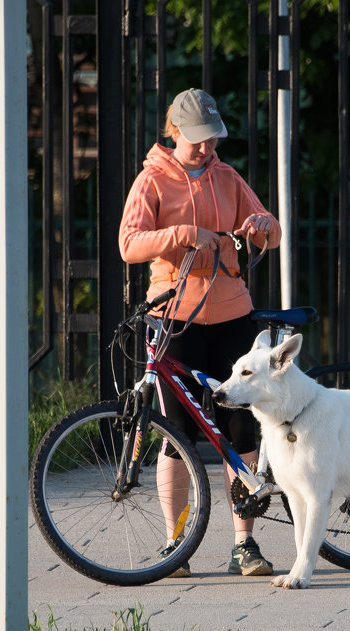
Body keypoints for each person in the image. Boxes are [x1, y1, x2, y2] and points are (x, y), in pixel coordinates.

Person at [119, 88, 282, 578]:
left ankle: (244, 547)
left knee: (240, 431)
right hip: (175, 321)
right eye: (197, 141)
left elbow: (272, 233)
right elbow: (129, 244)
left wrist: (261, 227)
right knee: (178, 437)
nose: (207, 149)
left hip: (233, 317)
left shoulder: (227, 178)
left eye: (213, 140)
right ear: (174, 134)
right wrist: (186, 234)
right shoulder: (151, 181)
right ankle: (177, 544)